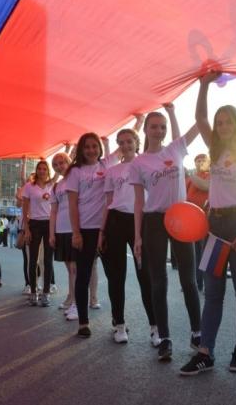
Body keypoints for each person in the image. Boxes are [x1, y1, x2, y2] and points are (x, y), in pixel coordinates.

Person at [180, 70, 236, 376]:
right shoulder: (215, 151)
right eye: (220, 123)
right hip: (215, 227)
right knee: (214, 294)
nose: (223, 126)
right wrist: (203, 85)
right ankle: (205, 353)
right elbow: (200, 118)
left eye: (229, 121)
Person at [130, 105, 202, 359]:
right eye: (154, 127)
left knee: (189, 280)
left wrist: (173, 110)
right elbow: (138, 201)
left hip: (182, 218)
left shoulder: (176, 149)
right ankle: (165, 338)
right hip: (154, 221)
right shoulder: (138, 162)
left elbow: (199, 123)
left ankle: (197, 333)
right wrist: (137, 236)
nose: (158, 131)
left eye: (163, 127)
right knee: (158, 281)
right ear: (146, 130)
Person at [99, 125, 157, 344]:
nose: (125, 146)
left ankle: (155, 327)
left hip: (140, 222)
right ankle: (119, 324)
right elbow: (108, 202)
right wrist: (102, 231)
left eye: (129, 141)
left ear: (137, 142)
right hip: (115, 222)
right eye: (121, 143)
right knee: (116, 276)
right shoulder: (112, 171)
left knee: (145, 276)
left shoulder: (146, 165)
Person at [65, 132, 117, 337]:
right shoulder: (75, 171)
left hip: (106, 229)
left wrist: (138, 123)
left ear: (100, 148)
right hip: (85, 230)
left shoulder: (106, 164)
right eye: (87, 147)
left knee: (114, 276)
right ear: (81, 149)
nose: (91, 150)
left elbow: (127, 146)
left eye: (94, 146)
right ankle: (83, 322)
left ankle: (118, 320)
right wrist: (76, 232)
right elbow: (72, 204)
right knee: (83, 276)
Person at [50, 152, 79, 320]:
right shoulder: (56, 186)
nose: (59, 166)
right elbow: (53, 211)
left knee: (75, 269)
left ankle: (77, 303)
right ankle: (73, 299)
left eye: (62, 162)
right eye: (56, 164)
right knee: (70, 269)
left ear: (69, 162)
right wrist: (52, 234)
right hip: (61, 230)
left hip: (75, 229)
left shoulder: (77, 179)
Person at [22, 160, 55, 306]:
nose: (42, 171)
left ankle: (46, 293)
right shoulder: (29, 186)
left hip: (49, 224)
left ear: (48, 171)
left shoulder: (52, 185)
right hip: (34, 224)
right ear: (36, 171)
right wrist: (27, 229)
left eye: (44, 169)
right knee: (33, 260)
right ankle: (33, 292)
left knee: (48, 260)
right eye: (39, 169)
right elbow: (24, 209)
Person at [186, 154, 210, 291]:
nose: (200, 162)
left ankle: (207, 284)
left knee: (205, 252)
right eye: (198, 160)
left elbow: (205, 187)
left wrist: (191, 175)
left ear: (208, 163)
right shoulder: (191, 178)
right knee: (194, 253)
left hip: (206, 218)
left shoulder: (209, 175)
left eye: (203, 160)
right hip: (190, 219)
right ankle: (197, 282)